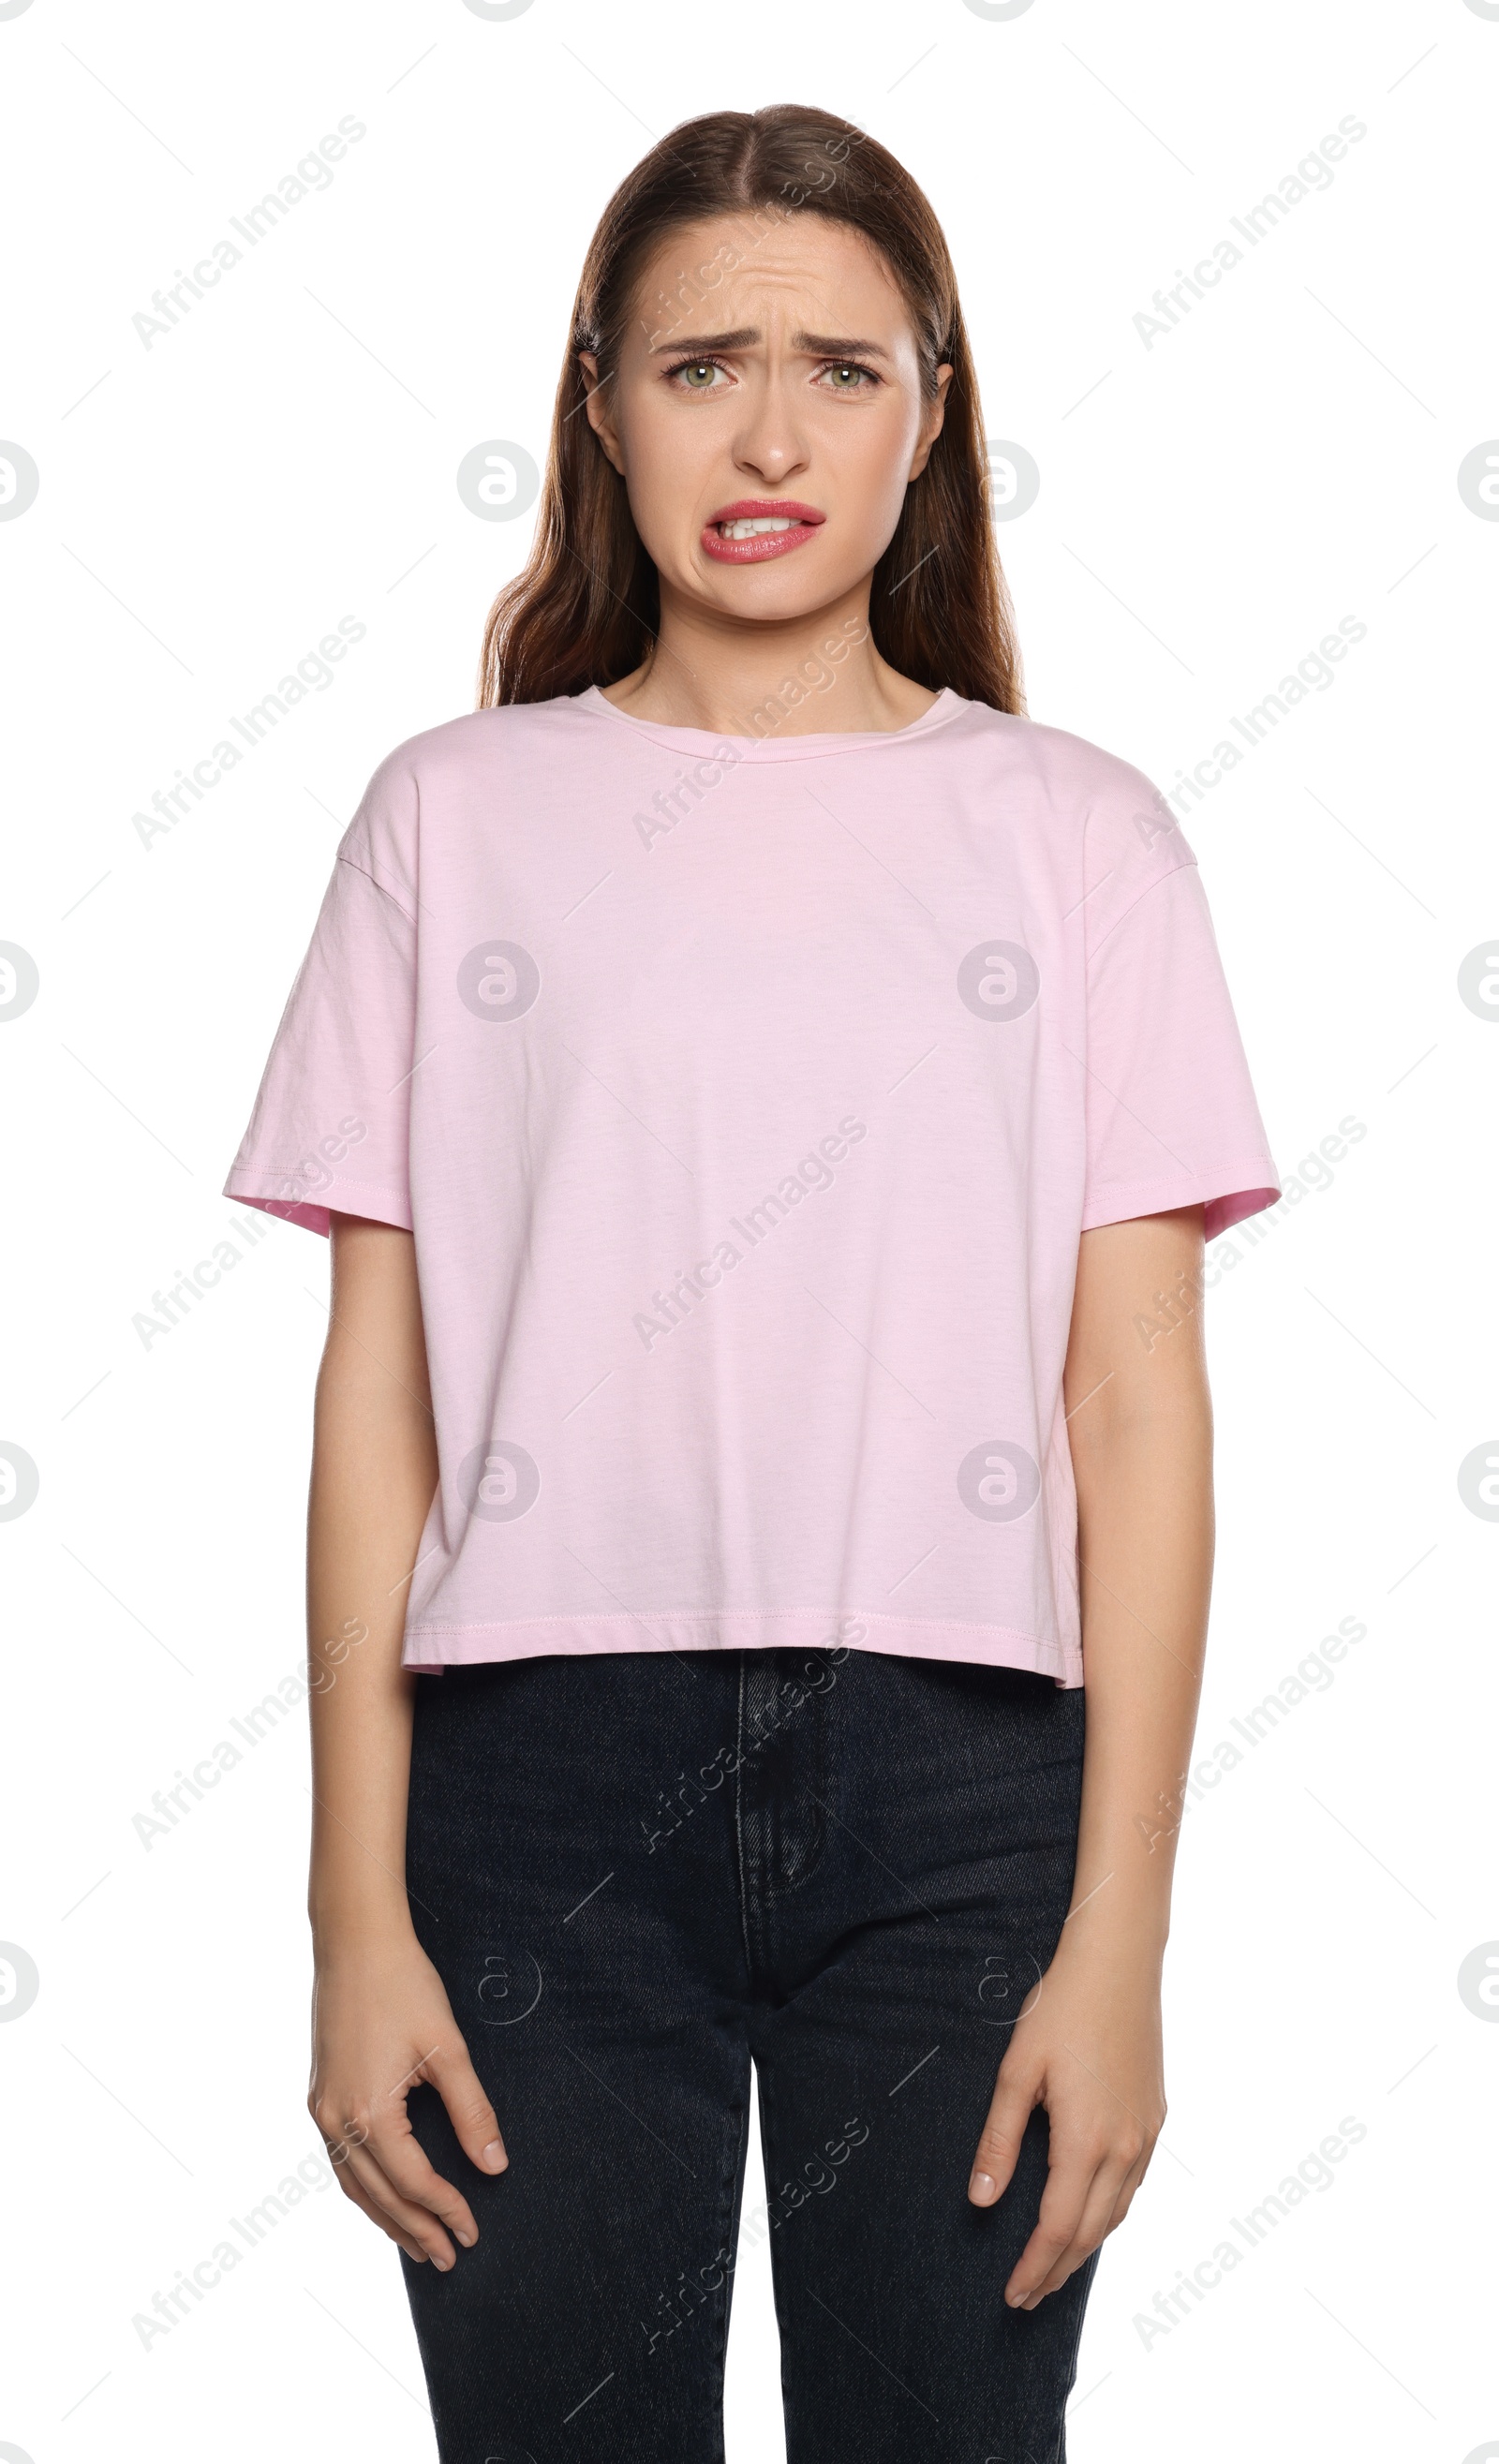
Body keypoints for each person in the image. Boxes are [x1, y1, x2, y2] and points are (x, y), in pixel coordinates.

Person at [224, 103, 1280, 2464]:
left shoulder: (1077, 836)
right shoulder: (452, 815)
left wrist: (1119, 1938)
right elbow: (372, 1404)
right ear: (597, 405)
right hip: (531, 1786)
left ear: (933, 411)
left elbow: (1136, 1412)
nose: (772, 432)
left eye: (839, 365)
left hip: (963, 1790)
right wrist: (348, 1917)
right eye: (703, 367)